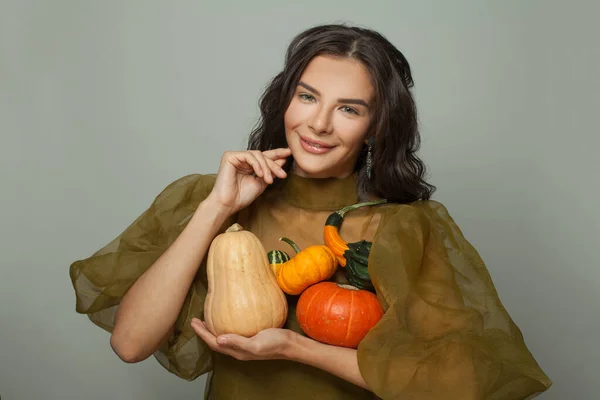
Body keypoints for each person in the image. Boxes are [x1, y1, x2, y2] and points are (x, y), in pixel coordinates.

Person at [69, 24, 552, 399]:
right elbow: (130, 343)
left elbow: (456, 383)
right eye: (307, 97)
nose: (318, 123)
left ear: (376, 127)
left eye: (349, 109)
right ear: (285, 102)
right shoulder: (210, 198)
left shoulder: (402, 225)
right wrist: (217, 208)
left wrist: (295, 348)